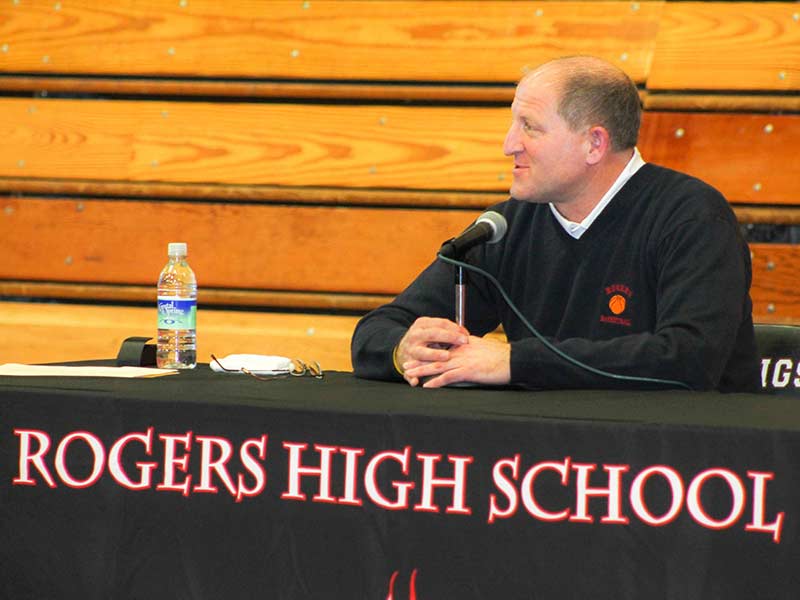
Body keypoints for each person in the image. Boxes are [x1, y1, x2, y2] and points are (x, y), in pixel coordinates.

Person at [350, 56, 760, 392]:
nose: (509, 144)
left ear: (594, 144)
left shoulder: (691, 217)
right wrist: (402, 349)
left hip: (688, 467)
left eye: (529, 126)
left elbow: (689, 359)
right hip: (552, 457)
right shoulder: (505, 226)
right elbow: (376, 330)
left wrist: (516, 361)